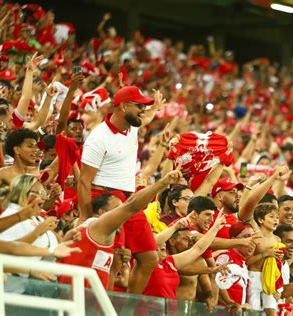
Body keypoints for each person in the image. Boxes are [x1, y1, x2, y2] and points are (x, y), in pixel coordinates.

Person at [78, 85, 164, 294]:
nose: (142, 111)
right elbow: (83, 181)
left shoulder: (131, 124)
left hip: (129, 201)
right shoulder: (98, 138)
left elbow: (146, 118)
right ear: (124, 106)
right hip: (105, 197)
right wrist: (86, 219)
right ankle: (103, 308)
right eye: (139, 106)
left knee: (149, 258)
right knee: (115, 259)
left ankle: (126, 309)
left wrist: (156, 107)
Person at [59, 169, 182, 289]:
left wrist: (117, 265)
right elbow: (131, 206)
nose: (123, 215)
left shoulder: (102, 237)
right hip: (75, 303)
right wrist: (162, 183)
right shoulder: (96, 227)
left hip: (85, 303)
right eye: (117, 208)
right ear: (102, 212)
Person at [142, 211, 226, 299]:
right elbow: (150, 244)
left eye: (163, 246)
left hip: (170, 311)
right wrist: (175, 227)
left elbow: (198, 249)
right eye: (159, 247)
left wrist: (215, 228)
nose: (163, 246)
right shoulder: (143, 265)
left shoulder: (169, 263)